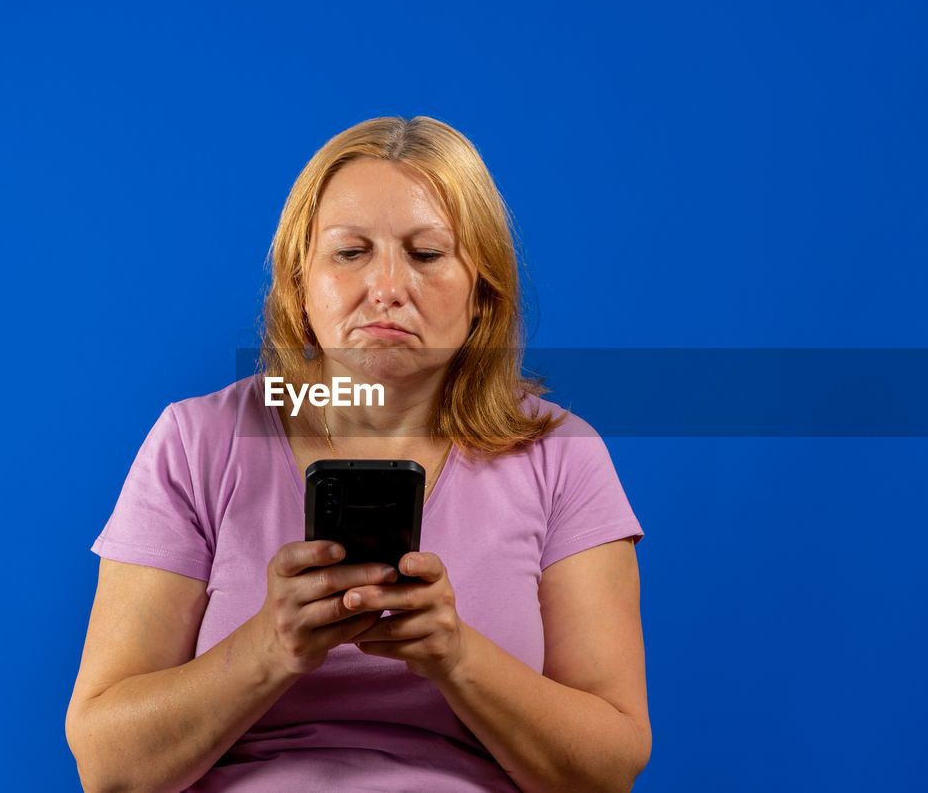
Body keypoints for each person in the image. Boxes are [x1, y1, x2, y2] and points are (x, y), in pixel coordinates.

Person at [65, 115, 652, 792]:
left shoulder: (562, 455)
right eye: (350, 252)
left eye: (427, 254)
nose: (387, 290)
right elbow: (107, 766)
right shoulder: (197, 441)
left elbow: (608, 769)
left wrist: (456, 656)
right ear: (299, 282)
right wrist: (268, 648)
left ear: (482, 292)